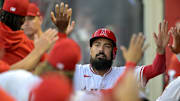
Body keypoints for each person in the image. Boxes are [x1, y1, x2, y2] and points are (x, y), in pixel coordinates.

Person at [51, 2, 169, 91]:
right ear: (90, 49)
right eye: (97, 45)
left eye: (107, 46)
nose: (101, 50)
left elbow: (156, 69)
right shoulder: (78, 72)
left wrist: (160, 51)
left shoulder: (124, 73)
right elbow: (53, 68)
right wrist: (61, 34)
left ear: (114, 52)